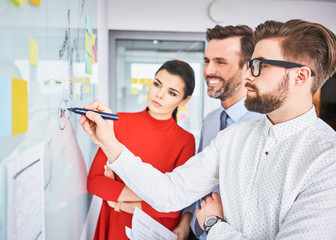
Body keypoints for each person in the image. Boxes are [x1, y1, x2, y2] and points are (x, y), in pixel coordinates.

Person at [81, 19, 336, 239]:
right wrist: (108, 142)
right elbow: (170, 193)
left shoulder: (327, 160)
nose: (248, 76)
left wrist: (214, 226)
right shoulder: (233, 138)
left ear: (301, 77)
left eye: (259, 65)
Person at [86, 60, 196, 240]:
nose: (159, 94)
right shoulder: (119, 121)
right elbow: (95, 182)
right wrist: (155, 195)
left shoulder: (185, 141)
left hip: (153, 231)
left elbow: (174, 210)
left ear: (184, 100)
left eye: (172, 92)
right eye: (157, 84)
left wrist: (118, 201)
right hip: (115, 226)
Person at [173, 24, 264, 240]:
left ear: (249, 68)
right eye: (207, 61)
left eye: (220, 62)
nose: (208, 71)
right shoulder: (210, 121)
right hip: (196, 232)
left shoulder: (266, 125)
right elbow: (199, 179)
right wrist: (187, 219)